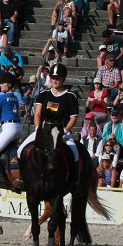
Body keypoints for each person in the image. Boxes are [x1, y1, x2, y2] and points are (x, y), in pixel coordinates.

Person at [14, 63, 80, 192]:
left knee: (75, 154)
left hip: (62, 132)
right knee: (20, 149)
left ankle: (74, 182)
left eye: (58, 78)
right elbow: (38, 113)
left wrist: (65, 131)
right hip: (43, 131)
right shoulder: (44, 94)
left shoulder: (70, 97)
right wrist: (38, 128)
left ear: (63, 79)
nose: (55, 80)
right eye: (53, 78)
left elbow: (73, 118)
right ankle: (21, 179)